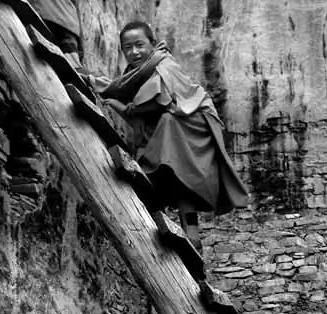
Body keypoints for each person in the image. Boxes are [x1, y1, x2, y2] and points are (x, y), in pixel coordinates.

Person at [92, 21, 250, 247]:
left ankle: (189, 235)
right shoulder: (134, 76)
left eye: (139, 45)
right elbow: (137, 107)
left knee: (170, 144)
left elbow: (157, 101)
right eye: (128, 48)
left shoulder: (164, 65)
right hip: (170, 134)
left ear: (152, 44)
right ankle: (190, 238)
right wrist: (114, 98)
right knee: (178, 181)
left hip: (191, 126)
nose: (134, 52)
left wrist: (123, 108)